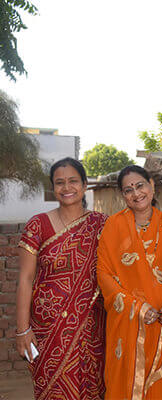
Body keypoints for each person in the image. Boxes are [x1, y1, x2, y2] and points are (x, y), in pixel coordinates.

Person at [16, 157, 107, 400]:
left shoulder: (102, 225)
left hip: (91, 326)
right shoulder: (38, 225)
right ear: (53, 188)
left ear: (85, 185)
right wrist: (22, 330)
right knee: (51, 390)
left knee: (91, 388)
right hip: (47, 328)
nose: (66, 188)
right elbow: (25, 278)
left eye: (73, 181)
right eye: (59, 182)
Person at [97, 165, 162, 400]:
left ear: (152, 185)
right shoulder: (113, 227)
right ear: (122, 196)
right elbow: (104, 274)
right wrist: (137, 309)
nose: (136, 194)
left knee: (161, 389)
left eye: (140, 185)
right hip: (127, 327)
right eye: (128, 190)